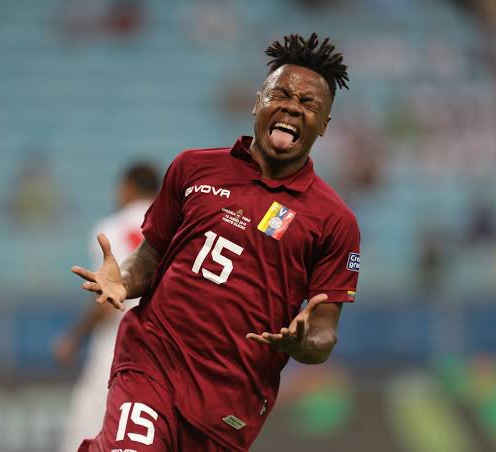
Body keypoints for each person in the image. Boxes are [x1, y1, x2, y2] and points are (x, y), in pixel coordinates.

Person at [72, 33, 360, 452]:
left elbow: (323, 332)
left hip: (229, 403)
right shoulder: (193, 168)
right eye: (280, 94)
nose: (292, 107)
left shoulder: (334, 221)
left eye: (308, 103)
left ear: (325, 124)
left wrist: (304, 344)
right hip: (152, 361)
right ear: (258, 102)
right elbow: (149, 258)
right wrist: (124, 280)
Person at [55, 162, 160, 452]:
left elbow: (106, 300)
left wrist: (74, 337)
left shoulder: (110, 228)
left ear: (127, 188)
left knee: (88, 428)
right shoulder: (175, 227)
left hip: (117, 345)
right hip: (161, 347)